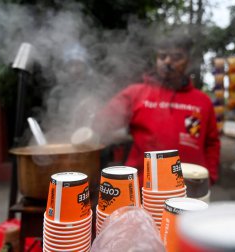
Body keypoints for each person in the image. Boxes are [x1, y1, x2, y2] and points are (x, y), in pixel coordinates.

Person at [93, 34, 220, 185]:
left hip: (190, 188)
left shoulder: (202, 101)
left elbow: (212, 142)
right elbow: (103, 122)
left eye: (176, 57)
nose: (167, 61)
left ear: (188, 61)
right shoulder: (136, 93)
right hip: (142, 187)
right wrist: (92, 117)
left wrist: (210, 176)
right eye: (162, 56)